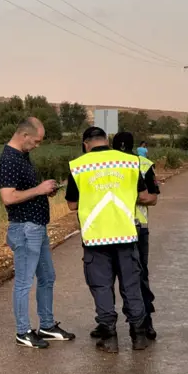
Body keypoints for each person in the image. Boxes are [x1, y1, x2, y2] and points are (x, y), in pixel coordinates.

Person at [66, 127, 157, 352]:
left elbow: (72, 204)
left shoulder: (78, 166)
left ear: (86, 144)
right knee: (131, 286)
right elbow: (144, 196)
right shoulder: (129, 163)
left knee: (102, 287)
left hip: (96, 238)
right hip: (126, 234)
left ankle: (109, 338)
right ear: (106, 140)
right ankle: (138, 336)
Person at [0, 117, 75, 349]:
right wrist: (39, 190)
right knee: (23, 282)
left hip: (37, 227)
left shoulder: (22, 156)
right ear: (24, 135)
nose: (37, 145)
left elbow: (25, 191)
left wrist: (43, 192)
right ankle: (23, 331)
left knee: (47, 277)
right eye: (36, 141)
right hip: (24, 228)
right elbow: (8, 197)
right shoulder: (9, 160)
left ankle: (47, 325)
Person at [112, 132, 160, 339]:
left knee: (138, 276)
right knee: (111, 278)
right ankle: (108, 324)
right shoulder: (108, 164)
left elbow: (153, 197)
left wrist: (128, 197)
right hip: (114, 226)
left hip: (135, 228)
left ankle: (145, 321)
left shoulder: (143, 164)